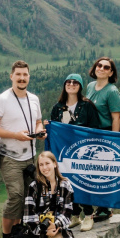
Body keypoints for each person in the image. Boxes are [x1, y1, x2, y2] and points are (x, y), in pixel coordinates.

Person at [0, 60, 45, 238]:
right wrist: (15, 135)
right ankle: (6, 236)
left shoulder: (34, 99)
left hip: (30, 156)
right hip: (9, 156)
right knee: (16, 195)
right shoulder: (1, 100)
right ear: (11, 76)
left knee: (28, 196)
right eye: (18, 74)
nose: (21, 78)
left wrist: (39, 130)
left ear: (29, 76)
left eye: (25, 74)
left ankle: (19, 231)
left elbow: (38, 121)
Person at [48, 73, 100, 227]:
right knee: (68, 183)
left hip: (83, 153)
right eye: (69, 82)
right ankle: (75, 214)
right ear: (65, 85)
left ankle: (89, 215)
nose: (71, 84)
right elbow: (54, 131)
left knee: (83, 182)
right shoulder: (57, 108)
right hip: (64, 154)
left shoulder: (87, 105)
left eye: (75, 82)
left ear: (80, 86)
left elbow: (95, 128)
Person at [84, 56, 120, 228]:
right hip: (91, 133)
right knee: (91, 171)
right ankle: (99, 206)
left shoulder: (112, 91)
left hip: (106, 133)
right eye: (99, 65)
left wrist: (113, 140)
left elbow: (116, 117)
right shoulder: (90, 86)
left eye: (106, 67)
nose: (101, 68)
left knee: (103, 171)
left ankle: (105, 208)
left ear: (111, 72)